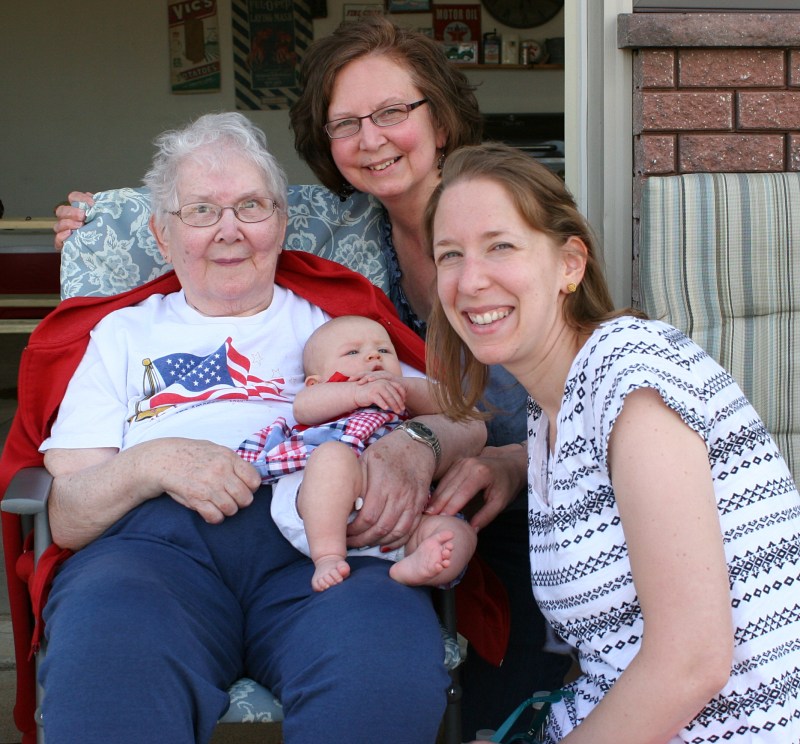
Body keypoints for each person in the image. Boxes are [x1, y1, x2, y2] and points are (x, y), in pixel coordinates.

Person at [52, 17, 573, 737]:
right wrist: (152, 462)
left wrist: (414, 443)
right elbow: (67, 512)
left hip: (328, 545)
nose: (229, 229)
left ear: (282, 221)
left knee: (382, 674)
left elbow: (462, 413)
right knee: (108, 670)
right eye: (200, 211)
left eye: (251, 206)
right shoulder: (117, 333)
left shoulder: (337, 316)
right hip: (153, 552)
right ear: (161, 235)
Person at [424, 142, 800, 743]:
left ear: (570, 265)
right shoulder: (549, 411)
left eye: (501, 246)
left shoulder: (631, 378)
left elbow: (692, 661)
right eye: (450, 254)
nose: (471, 280)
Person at [238, 314, 477, 591]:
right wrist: (355, 394)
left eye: (384, 350)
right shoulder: (321, 395)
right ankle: (328, 556)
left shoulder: (402, 400)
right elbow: (302, 408)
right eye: (353, 352)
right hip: (320, 510)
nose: (373, 355)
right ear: (316, 382)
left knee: (459, 534)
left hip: (399, 519)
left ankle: (416, 567)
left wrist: (404, 387)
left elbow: (450, 405)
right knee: (333, 456)